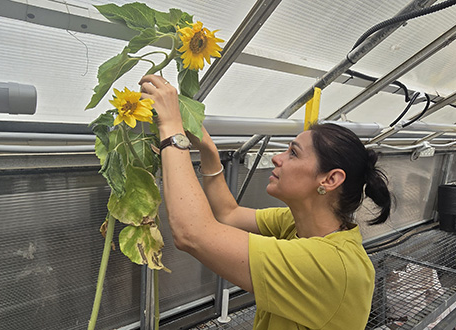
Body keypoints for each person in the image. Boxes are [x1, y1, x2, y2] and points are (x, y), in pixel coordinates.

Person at [139, 74, 392, 330]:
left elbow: (192, 234)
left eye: (293, 153)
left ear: (330, 179)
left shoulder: (331, 266)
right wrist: (209, 152)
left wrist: (171, 129)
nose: (277, 159)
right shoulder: (297, 225)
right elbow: (229, 213)